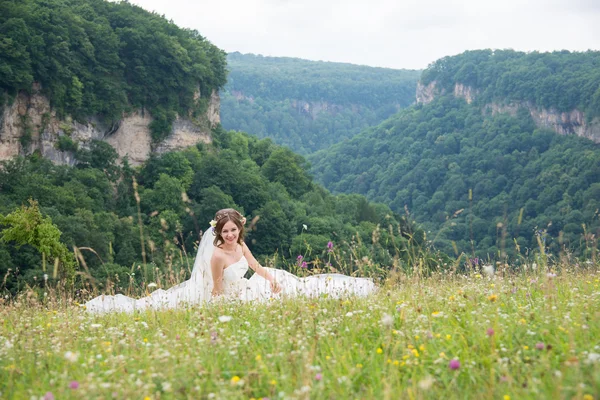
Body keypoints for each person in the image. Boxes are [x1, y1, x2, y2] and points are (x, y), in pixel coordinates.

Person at [85, 208, 375, 313]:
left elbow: (256, 266)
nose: (231, 235)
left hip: (251, 284)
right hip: (231, 294)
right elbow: (215, 289)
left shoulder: (242, 244)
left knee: (294, 286)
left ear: (240, 229)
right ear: (218, 233)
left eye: (234, 230)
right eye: (226, 231)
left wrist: (271, 279)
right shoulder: (217, 255)